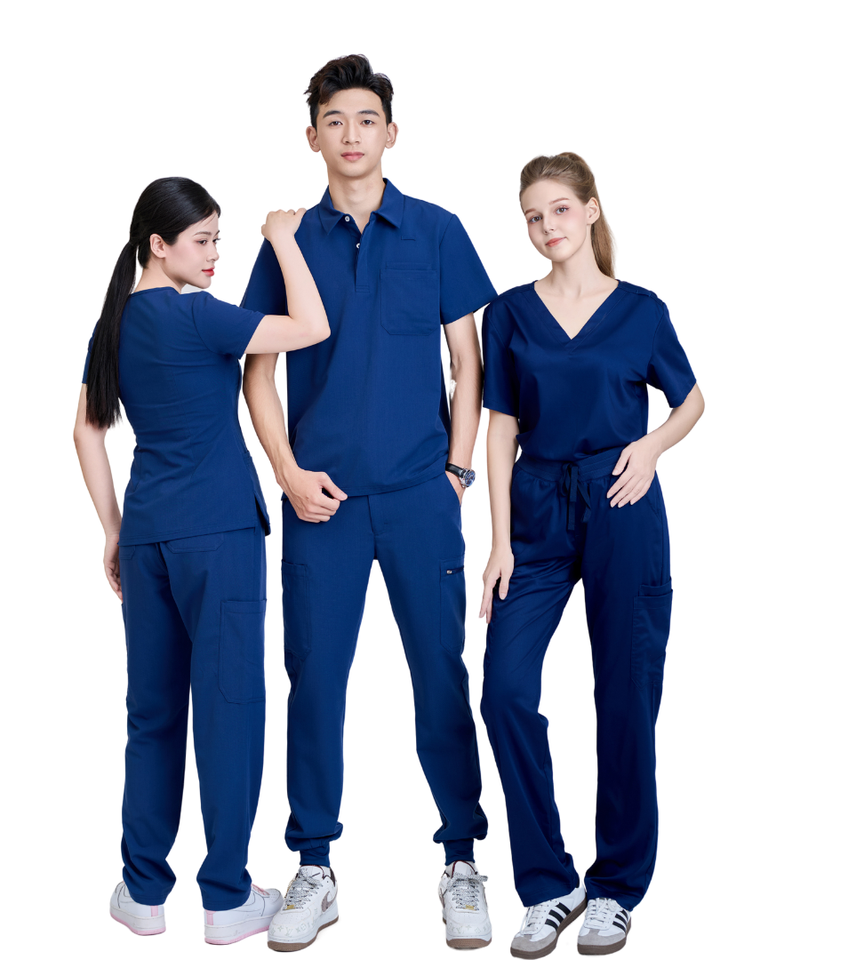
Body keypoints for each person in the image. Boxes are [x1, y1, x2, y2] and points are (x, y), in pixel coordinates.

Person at [241, 55, 495, 952]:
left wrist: (457, 471)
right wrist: (286, 471)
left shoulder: (436, 231)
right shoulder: (289, 241)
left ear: (392, 132)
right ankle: (314, 866)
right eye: (335, 121)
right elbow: (257, 371)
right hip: (324, 504)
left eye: (366, 119)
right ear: (312, 136)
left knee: (441, 675)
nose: (351, 135)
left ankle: (461, 860)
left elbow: (468, 363)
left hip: (421, 495)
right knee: (314, 681)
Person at [73, 177, 329, 946]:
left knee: (152, 714)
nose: (216, 254)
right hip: (218, 536)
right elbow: (311, 326)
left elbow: (86, 431)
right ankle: (226, 898)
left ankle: (142, 892)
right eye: (203, 241)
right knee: (229, 712)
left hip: (147, 534)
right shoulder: (198, 315)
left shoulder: (115, 323)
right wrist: (281, 237)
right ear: (159, 245)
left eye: (220, 239)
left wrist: (113, 530)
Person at [478, 152, 704, 957]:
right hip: (536, 507)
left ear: (592, 209)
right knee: (504, 691)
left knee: (626, 695)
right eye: (533, 217)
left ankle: (615, 888)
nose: (547, 227)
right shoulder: (508, 313)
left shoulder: (641, 309)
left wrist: (652, 447)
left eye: (560, 210)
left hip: (621, 501)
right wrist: (499, 542)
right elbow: (501, 428)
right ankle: (550, 884)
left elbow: (692, 399)